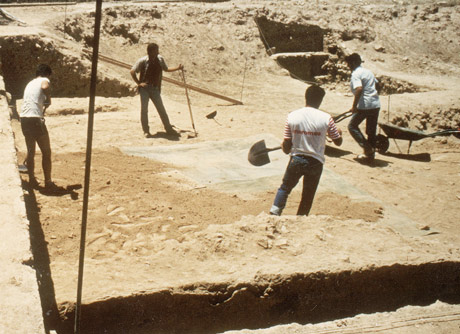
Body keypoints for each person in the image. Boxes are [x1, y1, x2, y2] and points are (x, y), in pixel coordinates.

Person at [270, 85, 343, 216]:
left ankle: (274, 213)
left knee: (285, 188)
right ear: (320, 100)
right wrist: (339, 133)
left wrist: (285, 147)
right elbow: (338, 142)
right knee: (308, 195)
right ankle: (301, 219)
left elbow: (287, 146)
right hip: (315, 162)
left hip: (296, 159)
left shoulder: (292, 116)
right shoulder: (327, 118)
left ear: (306, 97)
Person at [130, 42, 183, 138]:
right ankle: (146, 131)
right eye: (155, 50)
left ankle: (169, 129)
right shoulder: (143, 60)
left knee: (161, 109)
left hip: (155, 89)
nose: (157, 52)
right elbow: (132, 71)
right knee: (144, 110)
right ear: (150, 52)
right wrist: (139, 83)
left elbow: (166, 69)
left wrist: (178, 68)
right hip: (145, 89)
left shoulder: (160, 59)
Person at [20, 64, 57, 190]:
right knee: (46, 152)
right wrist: (49, 99)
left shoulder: (30, 83)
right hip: (35, 119)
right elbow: (45, 86)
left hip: (24, 118)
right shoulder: (44, 80)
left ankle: (32, 179)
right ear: (47, 74)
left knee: (31, 151)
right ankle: (48, 182)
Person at [345, 53, 381, 161]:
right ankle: (370, 156)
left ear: (353, 63)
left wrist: (354, 106)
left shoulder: (356, 73)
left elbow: (359, 89)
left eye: (349, 64)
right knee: (371, 131)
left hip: (365, 105)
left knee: (352, 126)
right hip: (375, 104)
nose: (348, 67)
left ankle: (368, 148)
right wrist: (374, 95)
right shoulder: (368, 72)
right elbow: (378, 85)